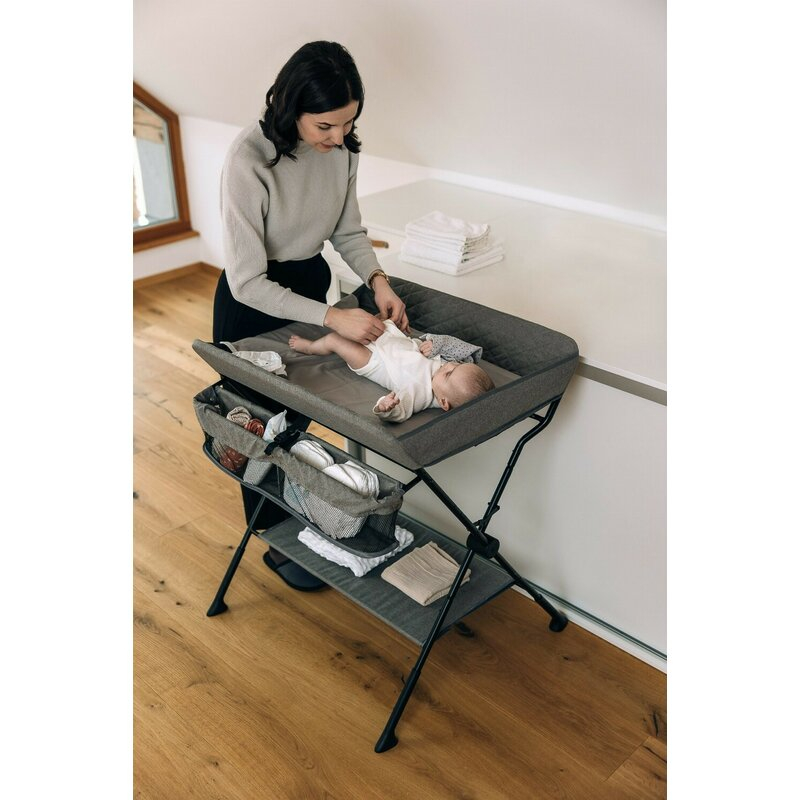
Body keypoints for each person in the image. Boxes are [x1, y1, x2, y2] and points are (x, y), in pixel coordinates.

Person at [213, 41, 409, 591]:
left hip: (308, 285)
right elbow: (247, 281)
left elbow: (347, 231)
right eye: (325, 125)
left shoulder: (341, 151)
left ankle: (306, 527)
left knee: (297, 425)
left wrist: (378, 281)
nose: (339, 137)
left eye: (348, 124)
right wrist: (332, 318)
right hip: (251, 305)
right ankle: (271, 537)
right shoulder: (248, 160)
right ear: (290, 107)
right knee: (258, 431)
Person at [288, 320, 495, 422]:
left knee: (335, 340)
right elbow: (463, 349)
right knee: (371, 322)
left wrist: (386, 407)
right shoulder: (451, 368)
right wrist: (436, 344)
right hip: (394, 343)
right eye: (456, 365)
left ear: (443, 402)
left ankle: (310, 347)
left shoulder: (422, 393)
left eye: (449, 373)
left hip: (375, 362)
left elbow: (400, 410)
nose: (449, 365)